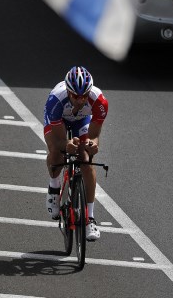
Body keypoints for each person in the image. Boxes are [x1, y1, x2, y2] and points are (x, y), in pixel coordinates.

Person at [43, 66, 108, 242]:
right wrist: (66, 144)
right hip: (59, 120)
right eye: (75, 96)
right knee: (56, 152)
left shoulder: (99, 102)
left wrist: (92, 145)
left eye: (84, 96)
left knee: (86, 159)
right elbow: (59, 140)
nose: (80, 100)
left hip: (82, 120)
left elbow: (94, 136)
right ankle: (54, 186)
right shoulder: (56, 101)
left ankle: (90, 219)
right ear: (68, 91)